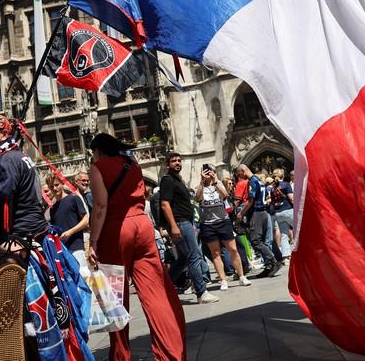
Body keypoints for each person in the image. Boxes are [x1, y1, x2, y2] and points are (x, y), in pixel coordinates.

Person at [87, 133, 186, 361]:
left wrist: (93, 241)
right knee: (156, 292)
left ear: (98, 151)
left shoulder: (98, 167)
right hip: (142, 226)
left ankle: (120, 355)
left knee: (115, 297)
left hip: (115, 229)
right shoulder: (132, 163)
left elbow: (101, 205)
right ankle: (172, 353)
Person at [159, 153, 218, 304]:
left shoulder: (178, 180)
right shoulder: (167, 180)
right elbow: (165, 204)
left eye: (179, 160)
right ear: (167, 165)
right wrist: (173, 226)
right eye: (173, 161)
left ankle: (163, 288)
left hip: (185, 222)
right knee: (194, 255)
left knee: (185, 258)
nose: (177, 163)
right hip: (180, 223)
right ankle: (201, 292)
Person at [195, 165, 250, 291]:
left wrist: (215, 181)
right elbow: (198, 198)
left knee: (233, 250)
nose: (209, 174)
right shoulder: (200, 186)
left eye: (212, 172)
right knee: (216, 253)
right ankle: (223, 280)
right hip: (208, 224)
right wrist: (202, 181)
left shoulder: (219, 183)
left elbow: (225, 195)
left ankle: (241, 276)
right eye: (207, 172)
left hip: (223, 222)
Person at [0, 113, 47, 241]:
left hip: (22, 233)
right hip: (35, 227)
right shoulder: (18, 156)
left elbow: (2, 198)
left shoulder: (7, 160)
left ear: (4, 135)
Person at [235, 164, 279, 277]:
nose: (239, 176)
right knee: (262, 240)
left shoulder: (252, 181)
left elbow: (250, 201)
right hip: (263, 212)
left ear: (243, 171)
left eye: (239, 174)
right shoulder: (259, 180)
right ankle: (268, 266)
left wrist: (241, 213)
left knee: (255, 240)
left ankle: (273, 261)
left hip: (257, 213)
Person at [47, 174, 90, 268]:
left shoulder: (74, 198)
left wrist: (70, 232)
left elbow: (86, 221)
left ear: (62, 184)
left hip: (76, 247)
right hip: (62, 250)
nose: (54, 188)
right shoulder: (52, 209)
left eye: (56, 185)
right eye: (51, 186)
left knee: (82, 276)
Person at [270, 168, 294, 261]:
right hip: (288, 210)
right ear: (282, 176)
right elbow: (291, 198)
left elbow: (272, 202)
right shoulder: (286, 184)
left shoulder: (272, 188)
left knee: (284, 235)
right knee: (301, 228)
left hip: (278, 213)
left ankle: (286, 257)